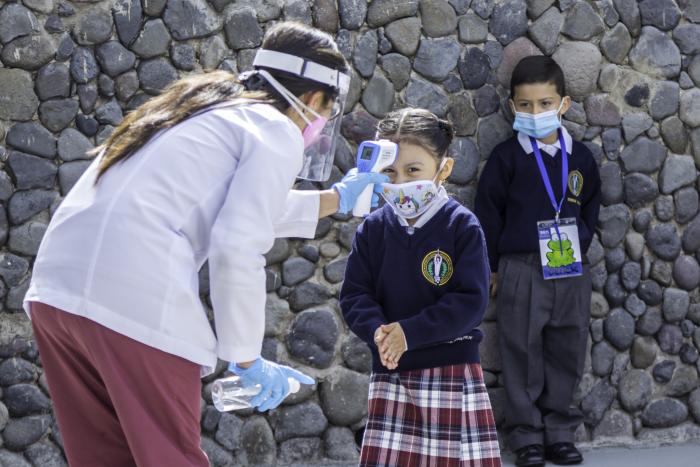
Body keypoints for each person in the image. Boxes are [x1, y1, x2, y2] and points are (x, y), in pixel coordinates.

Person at [24, 22, 387, 467]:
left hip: (56, 291)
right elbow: (238, 241)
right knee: (171, 458)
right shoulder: (275, 128)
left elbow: (225, 203)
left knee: (103, 457)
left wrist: (336, 200)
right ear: (313, 100)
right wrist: (246, 357)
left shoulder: (198, 111)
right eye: (325, 113)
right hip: (130, 300)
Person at [340, 108, 502, 467]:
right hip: (391, 371)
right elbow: (355, 295)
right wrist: (380, 334)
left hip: (450, 372)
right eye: (390, 173)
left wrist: (408, 333)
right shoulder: (374, 229)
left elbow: (470, 302)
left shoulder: (462, 226)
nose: (400, 182)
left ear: (443, 169)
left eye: (413, 170)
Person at [474, 56, 601, 467]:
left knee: (567, 349)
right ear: (513, 107)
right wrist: (492, 267)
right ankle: (526, 436)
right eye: (526, 105)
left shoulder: (579, 158)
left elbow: (592, 208)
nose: (535, 113)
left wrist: (580, 245)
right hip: (522, 268)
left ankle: (560, 432)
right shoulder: (506, 158)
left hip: (570, 268)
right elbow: (488, 214)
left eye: (545, 104)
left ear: (562, 104)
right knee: (521, 351)